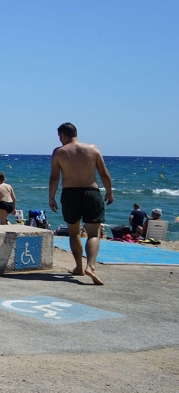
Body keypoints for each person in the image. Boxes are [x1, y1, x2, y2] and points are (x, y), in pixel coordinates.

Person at [49, 122, 113, 286]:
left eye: (60, 137)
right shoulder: (93, 149)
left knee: (74, 232)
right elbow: (104, 173)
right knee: (93, 233)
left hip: (70, 194)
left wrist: (52, 197)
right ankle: (90, 266)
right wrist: (109, 192)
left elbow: (54, 177)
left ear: (63, 135)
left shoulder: (59, 152)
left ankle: (78, 267)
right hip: (91, 193)